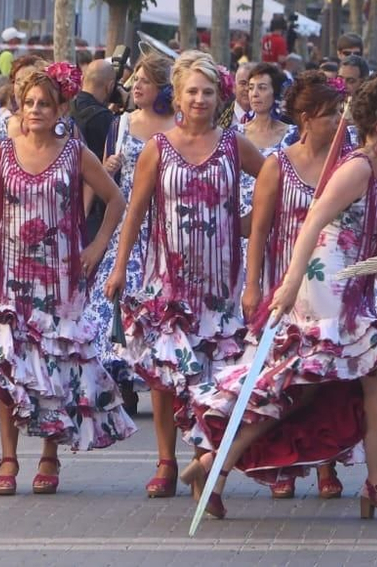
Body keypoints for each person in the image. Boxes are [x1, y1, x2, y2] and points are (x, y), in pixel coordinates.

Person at [183, 75, 377, 522]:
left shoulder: (369, 167)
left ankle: (214, 465)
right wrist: (288, 284)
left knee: (301, 390)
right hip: (323, 290)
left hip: (348, 288)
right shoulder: (357, 168)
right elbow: (312, 223)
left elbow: (365, 241)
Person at [106, 51, 266, 498]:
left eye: (208, 92)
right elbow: (135, 211)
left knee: (215, 377)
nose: (199, 99)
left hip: (220, 286)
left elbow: (278, 181)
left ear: (221, 98)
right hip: (166, 280)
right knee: (164, 374)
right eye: (192, 91)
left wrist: (246, 224)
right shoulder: (158, 147)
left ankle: (204, 462)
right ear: (176, 95)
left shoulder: (235, 145)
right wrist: (120, 268)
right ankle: (166, 460)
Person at [0, 67, 133, 494]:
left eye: (45, 103)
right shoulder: (2, 153)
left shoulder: (75, 153)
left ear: (61, 108)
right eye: (29, 104)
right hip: (11, 276)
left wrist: (96, 248)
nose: (36, 110)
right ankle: (8, 458)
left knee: (54, 367)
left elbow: (116, 201)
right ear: (19, 109)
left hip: (61, 282)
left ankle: (49, 454)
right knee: (9, 366)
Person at [238, 71, 347, 501]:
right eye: (330, 114)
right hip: (283, 283)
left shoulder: (347, 164)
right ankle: (281, 461)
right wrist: (251, 287)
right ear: (306, 117)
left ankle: (327, 463)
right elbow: (260, 230)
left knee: (328, 376)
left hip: (331, 286)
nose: (339, 121)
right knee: (284, 381)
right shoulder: (277, 165)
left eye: (341, 112)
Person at [80, 55, 173, 411]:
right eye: (135, 79)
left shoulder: (176, 126)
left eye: (146, 81)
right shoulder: (120, 124)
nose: (137, 85)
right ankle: (121, 378)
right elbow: (103, 178)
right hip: (128, 226)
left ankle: (154, 372)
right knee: (118, 300)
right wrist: (107, 168)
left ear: (162, 88)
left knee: (155, 303)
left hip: (163, 225)